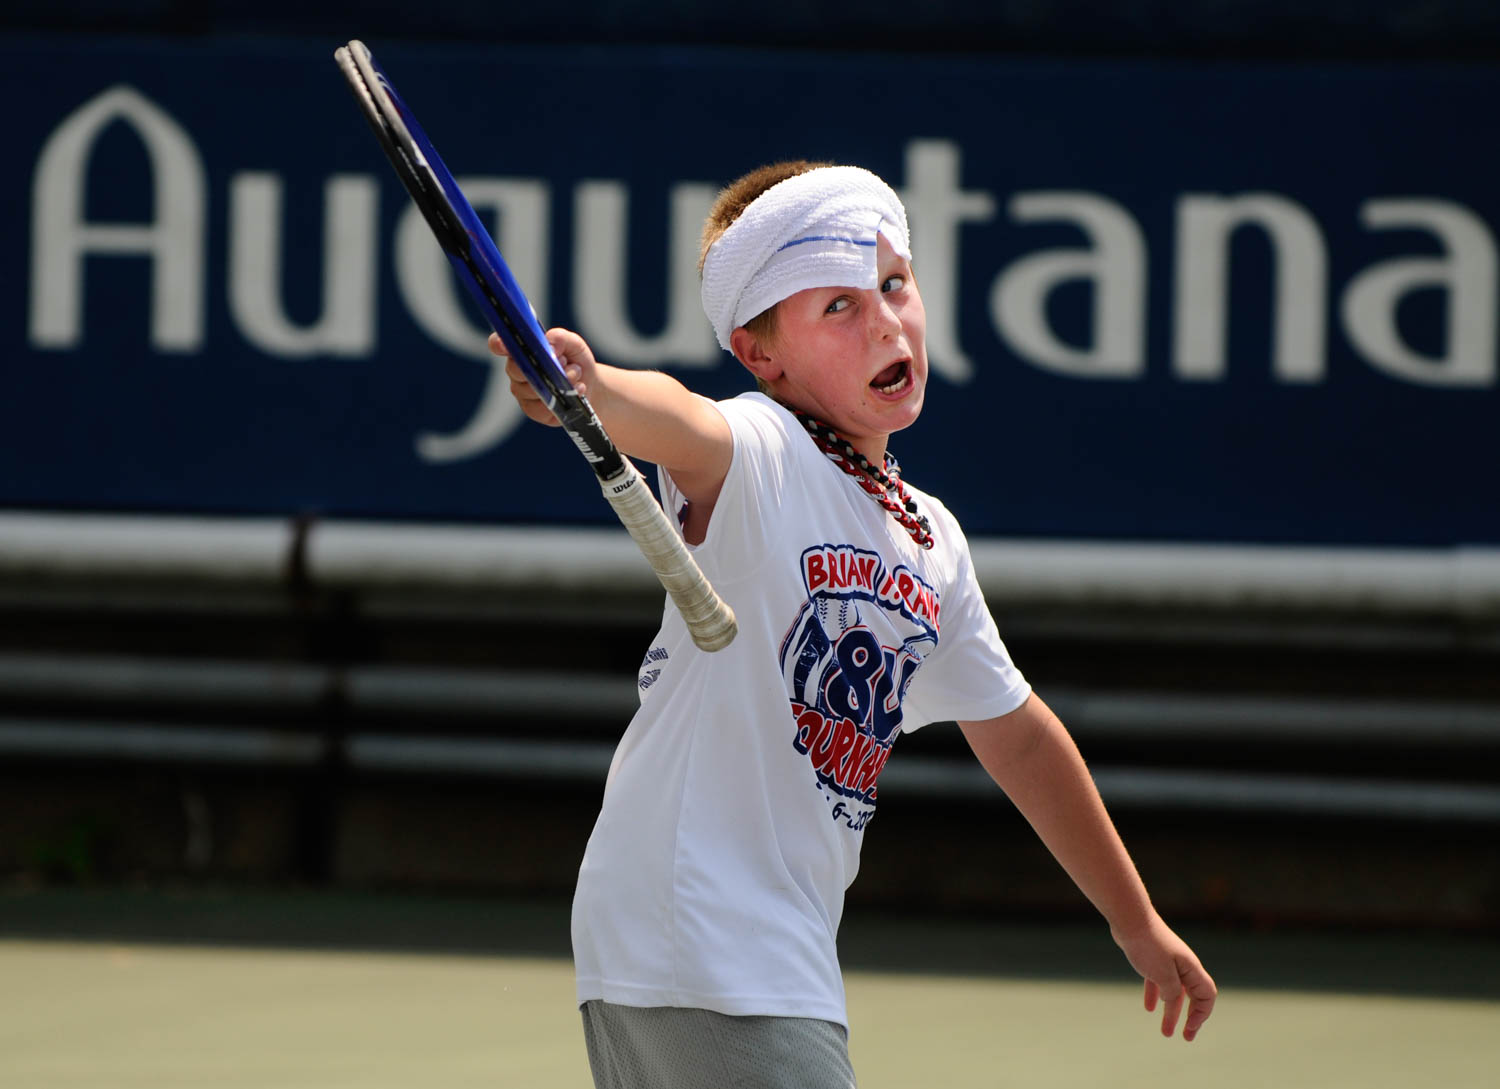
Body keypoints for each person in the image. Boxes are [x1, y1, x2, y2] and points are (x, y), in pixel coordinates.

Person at [495, 160, 1216, 1089]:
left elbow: (1021, 739)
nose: (884, 318)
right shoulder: (765, 454)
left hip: (767, 946)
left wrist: (1135, 920)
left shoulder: (931, 539)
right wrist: (590, 387)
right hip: (702, 934)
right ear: (762, 355)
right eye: (835, 306)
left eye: (892, 285)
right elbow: (681, 421)